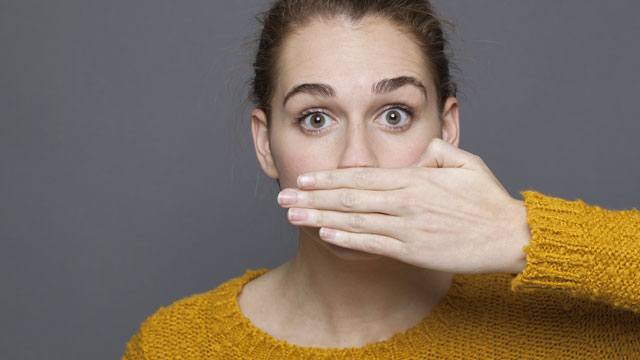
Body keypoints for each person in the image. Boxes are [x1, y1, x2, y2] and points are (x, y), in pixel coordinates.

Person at [122, 0, 640, 358]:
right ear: (265, 143)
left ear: (448, 128)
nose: (357, 160)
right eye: (316, 118)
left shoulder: (572, 332)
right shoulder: (173, 346)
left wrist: (523, 234)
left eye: (393, 114)